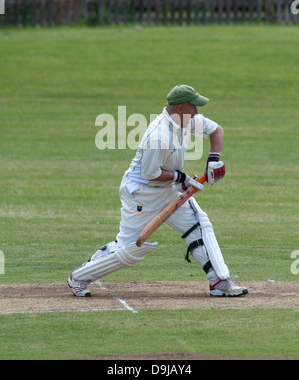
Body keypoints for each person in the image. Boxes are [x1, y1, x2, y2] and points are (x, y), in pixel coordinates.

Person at [68, 85, 248, 298]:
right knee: (129, 251)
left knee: (198, 224)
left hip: (168, 189)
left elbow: (217, 130)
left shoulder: (186, 120)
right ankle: (79, 276)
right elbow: (150, 173)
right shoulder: (158, 136)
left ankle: (219, 280)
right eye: (194, 108)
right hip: (142, 193)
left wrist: (213, 159)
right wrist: (182, 178)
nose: (197, 114)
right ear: (180, 108)